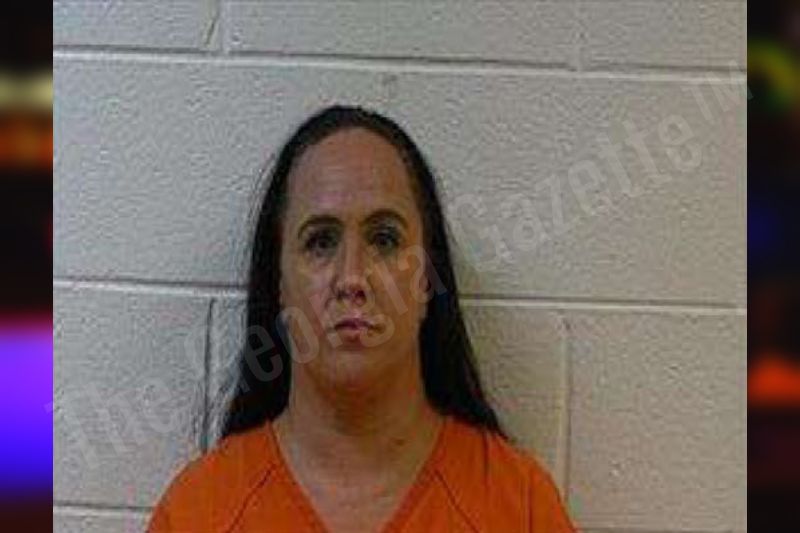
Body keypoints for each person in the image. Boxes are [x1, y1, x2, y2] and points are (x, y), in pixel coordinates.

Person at [147, 105, 576, 532]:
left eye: (385, 239)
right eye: (320, 242)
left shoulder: (520, 506)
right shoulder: (197, 512)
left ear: (427, 281)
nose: (351, 278)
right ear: (278, 282)